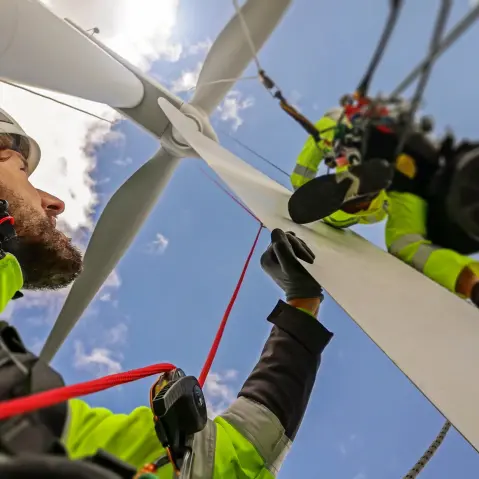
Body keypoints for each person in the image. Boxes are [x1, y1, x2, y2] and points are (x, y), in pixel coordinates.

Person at [0, 108, 333, 478]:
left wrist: (301, 305)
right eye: (22, 172)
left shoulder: (34, 418)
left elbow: (224, 461)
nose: (54, 203)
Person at [288, 100, 479, 307]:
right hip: (414, 173)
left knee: (387, 235)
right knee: (408, 242)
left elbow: (306, 163)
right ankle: (471, 282)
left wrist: (300, 186)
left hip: (374, 158)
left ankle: (362, 199)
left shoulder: (331, 124)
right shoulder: (390, 117)